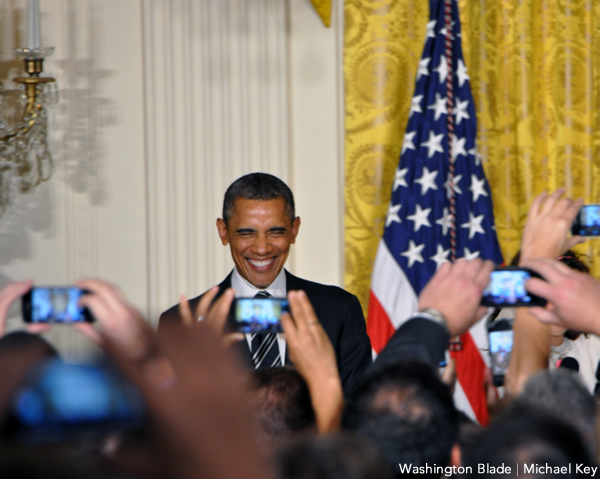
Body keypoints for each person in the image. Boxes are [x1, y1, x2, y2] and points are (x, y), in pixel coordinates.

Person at [159, 173, 372, 396]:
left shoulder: (339, 310)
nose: (262, 248)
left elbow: (360, 415)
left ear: (294, 229)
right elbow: (171, 422)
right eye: (247, 233)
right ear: (224, 232)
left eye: (275, 231)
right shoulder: (180, 323)